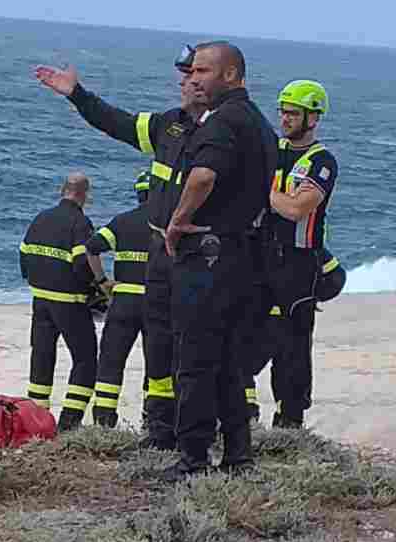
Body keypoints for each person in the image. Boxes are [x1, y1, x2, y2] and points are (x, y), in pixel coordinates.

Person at [34, 45, 207, 451]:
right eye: (184, 75)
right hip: (163, 271)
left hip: (198, 264)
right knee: (160, 361)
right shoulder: (169, 125)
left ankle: (195, 440)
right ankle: (161, 438)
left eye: (196, 74)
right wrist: (77, 95)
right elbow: (116, 123)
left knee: (187, 359)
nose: (186, 82)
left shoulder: (230, 129)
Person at [161, 40, 279, 481]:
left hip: (209, 258)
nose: (194, 77)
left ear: (231, 75)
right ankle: (238, 455)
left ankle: (192, 459)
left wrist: (177, 220)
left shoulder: (224, 121)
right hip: (246, 259)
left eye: (204, 71)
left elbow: (204, 175)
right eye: (192, 71)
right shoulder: (259, 123)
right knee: (231, 364)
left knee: (194, 360)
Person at [245, 80, 347, 429]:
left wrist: (260, 189)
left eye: (293, 113)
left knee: (294, 343)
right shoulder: (271, 151)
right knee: (247, 333)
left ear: (313, 118)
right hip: (260, 256)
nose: (285, 119)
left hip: (299, 262)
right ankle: (243, 411)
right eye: (283, 112)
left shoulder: (322, 162)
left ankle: (290, 419)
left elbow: (296, 209)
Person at [20, 172, 99, 432]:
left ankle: (36, 421)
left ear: (61, 190)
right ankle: (69, 423)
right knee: (85, 359)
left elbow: (24, 255)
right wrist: (94, 288)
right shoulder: (80, 223)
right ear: (85, 195)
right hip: (70, 302)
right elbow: (81, 262)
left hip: (40, 299)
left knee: (42, 356)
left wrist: (37, 282)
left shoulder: (40, 218)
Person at [85, 170, 153, 428]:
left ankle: (103, 420)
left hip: (123, 302)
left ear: (138, 194)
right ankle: (152, 421)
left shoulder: (122, 222)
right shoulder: (168, 223)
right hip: (156, 304)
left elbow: (92, 248)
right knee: (157, 364)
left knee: (111, 361)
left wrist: (103, 282)